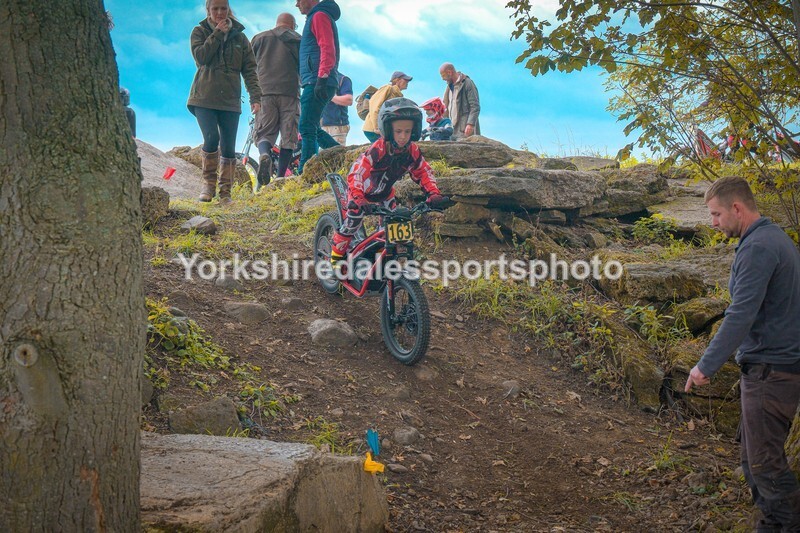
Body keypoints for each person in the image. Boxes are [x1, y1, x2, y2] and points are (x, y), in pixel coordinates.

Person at [685, 176, 800, 530]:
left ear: (737, 208)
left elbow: (741, 313)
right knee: (754, 463)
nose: (713, 222)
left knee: (765, 466)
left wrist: (705, 366)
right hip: (772, 367)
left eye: (717, 214)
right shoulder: (773, 238)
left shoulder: (759, 247)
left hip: (772, 372)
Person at [330, 98, 445, 265]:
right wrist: (357, 197)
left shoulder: (412, 150)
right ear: (389, 130)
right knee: (351, 224)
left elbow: (423, 171)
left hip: (385, 196)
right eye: (398, 131)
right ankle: (335, 260)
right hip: (361, 195)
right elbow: (358, 173)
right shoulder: (378, 149)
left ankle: (378, 263)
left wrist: (434, 193)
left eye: (407, 131)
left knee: (387, 233)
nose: (403, 136)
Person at [187, 0, 261, 204]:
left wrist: (256, 97)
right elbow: (201, 57)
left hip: (230, 99)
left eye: (223, 8)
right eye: (215, 9)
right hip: (204, 97)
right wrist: (218, 33)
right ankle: (208, 186)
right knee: (211, 138)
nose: (220, 12)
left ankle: (225, 193)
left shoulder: (241, 37)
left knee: (229, 147)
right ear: (208, 11)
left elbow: (250, 70)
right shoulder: (199, 32)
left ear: (228, 9)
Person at [251, 13, 302, 187]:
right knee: (288, 135)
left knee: (264, 132)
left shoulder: (259, 38)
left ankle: (264, 154)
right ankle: (280, 176)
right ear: (293, 25)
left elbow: (249, 67)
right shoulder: (298, 40)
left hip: (264, 92)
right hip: (290, 93)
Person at [296, 0, 341, 175]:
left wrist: (322, 77)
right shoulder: (316, 16)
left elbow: (327, 48)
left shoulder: (319, 16)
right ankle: (343, 156)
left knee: (306, 127)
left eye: (299, 0)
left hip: (318, 80)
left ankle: (305, 172)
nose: (297, 4)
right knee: (313, 127)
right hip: (317, 79)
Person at [362, 72, 411, 143]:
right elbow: (375, 106)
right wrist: (376, 127)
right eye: (405, 80)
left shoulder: (398, 95)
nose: (407, 82)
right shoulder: (388, 88)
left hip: (384, 128)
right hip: (373, 129)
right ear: (397, 80)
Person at [439, 62, 480, 140]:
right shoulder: (449, 87)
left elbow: (475, 106)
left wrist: (470, 124)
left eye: (443, 75)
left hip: (464, 129)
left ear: (449, 72)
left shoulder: (467, 83)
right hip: (452, 128)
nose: (443, 78)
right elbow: (446, 106)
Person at [321, 72, 353, 145]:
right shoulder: (318, 80)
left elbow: (349, 100)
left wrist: (330, 96)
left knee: (335, 155)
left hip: (336, 127)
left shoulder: (343, 79)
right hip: (321, 126)